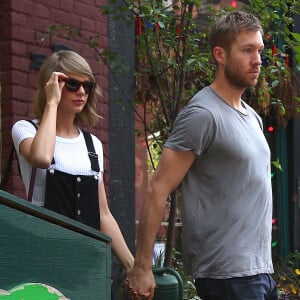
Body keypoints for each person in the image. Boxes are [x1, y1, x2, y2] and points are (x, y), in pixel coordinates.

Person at [126, 10, 278, 300]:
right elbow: (158, 188)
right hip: (227, 276)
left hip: (260, 271)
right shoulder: (202, 114)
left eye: (258, 50)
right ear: (219, 55)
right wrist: (142, 266)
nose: (258, 60)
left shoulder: (253, 117)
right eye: (247, 50)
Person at [12, 50, 134, 273]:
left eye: (87, 86)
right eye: (72, 84)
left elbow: (103, 214)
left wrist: (131, 265)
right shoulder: (26, 129)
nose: (81, 92)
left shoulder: (93, 145)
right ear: (52, 85)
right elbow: (41, 157)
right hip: (43, 259)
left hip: (85, 264)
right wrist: (51, 104)